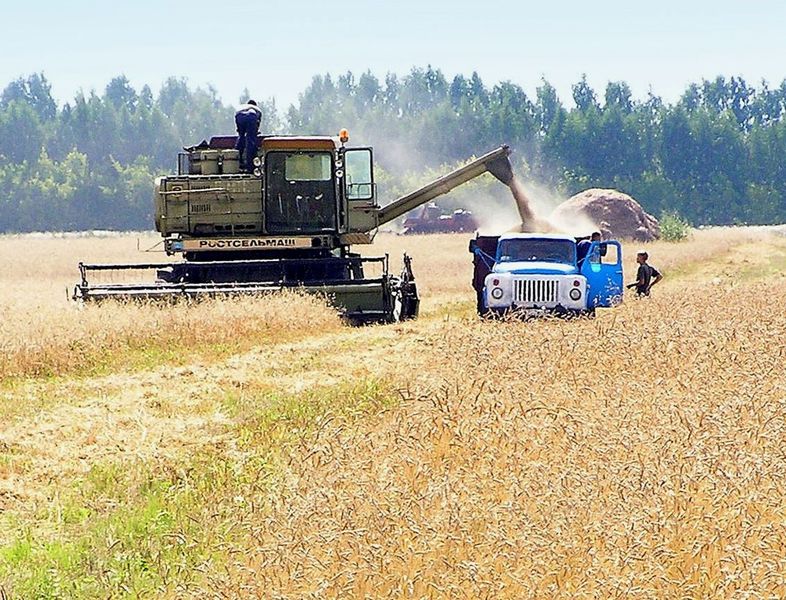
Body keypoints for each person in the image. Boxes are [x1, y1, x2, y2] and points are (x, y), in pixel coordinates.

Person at [234, 99, 262, 171]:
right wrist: (254, 132)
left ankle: (237, 159)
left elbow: (239, 129)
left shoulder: (242, 107)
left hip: (239, 115)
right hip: (251, 116)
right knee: (250, 140)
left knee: (241, 137)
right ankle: (250, 166)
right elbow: (257, 125)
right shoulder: (257, 110)